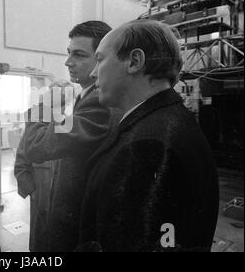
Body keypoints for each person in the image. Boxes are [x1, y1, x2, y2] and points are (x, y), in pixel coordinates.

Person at [79, 19, 219, 252]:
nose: (94, 73)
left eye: (100, 59)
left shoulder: (147, 144)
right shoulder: (170, 119)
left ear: (135, 61)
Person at [14, 21, 119, 252]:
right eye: (69, 53)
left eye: (79, 55)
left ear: (102, 58)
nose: (68, 62)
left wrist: (47, 104)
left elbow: (35, 145)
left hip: (76, 218)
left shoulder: (99, 101)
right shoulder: (88, 96)